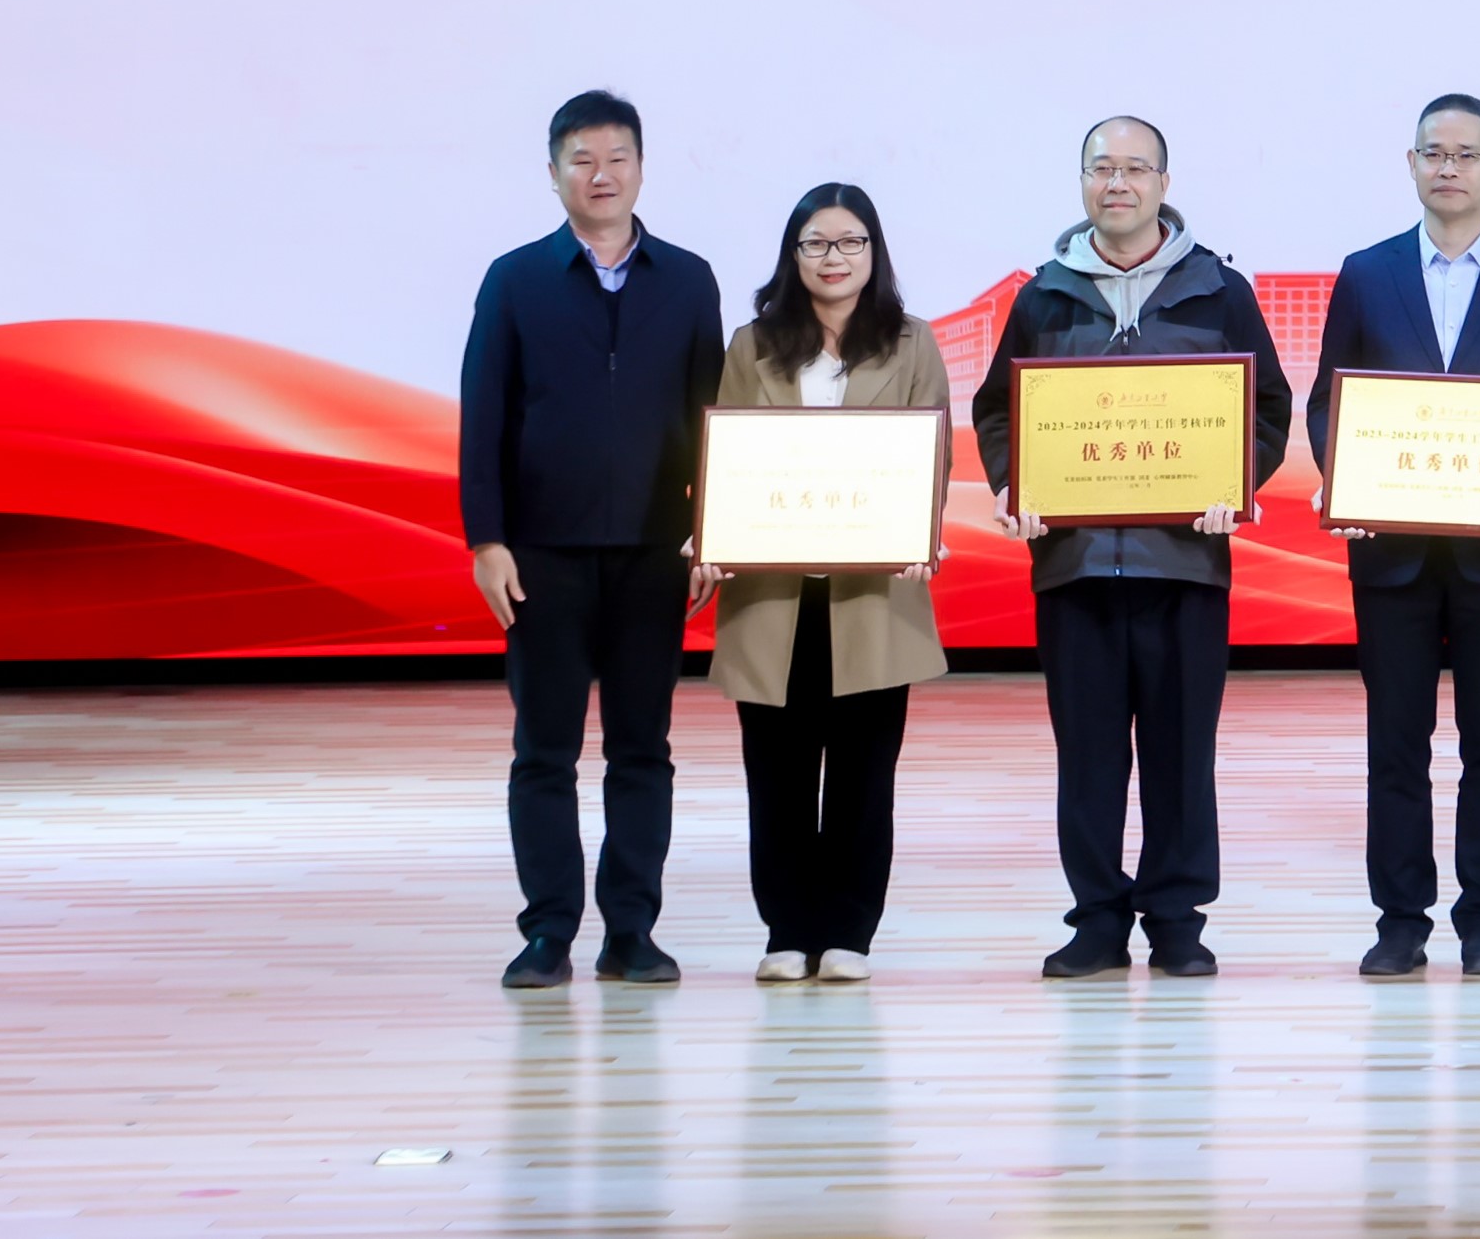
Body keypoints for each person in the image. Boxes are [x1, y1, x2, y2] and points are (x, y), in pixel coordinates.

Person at [967, 117, 1296, 981]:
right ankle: (1098, 921)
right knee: (1088, 758)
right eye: (1101, 168)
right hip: (1073, 567)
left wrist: (1237, 482)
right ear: (1082, 181)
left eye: (1134, 169)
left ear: (1163, 183)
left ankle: (1177, 920)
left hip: (1185, 563)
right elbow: (998, 409)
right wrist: (1013, 484)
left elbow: (1267, 406)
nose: (1117, 183)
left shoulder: (1217, 290)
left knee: (1181, 755)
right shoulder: (1043, 296)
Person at [1309, 92, 1480, 981]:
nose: (1449, 168)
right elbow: (1328, 401)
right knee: (1395, 745)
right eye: (1434, 152)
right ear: (1411, 163)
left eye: (1467, 155)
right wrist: (1345, 480)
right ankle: (1400, 921)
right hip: (1389, 552)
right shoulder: (1367, 272)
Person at [460, 89, 727, 991]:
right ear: (554, 174)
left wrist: (709, 532)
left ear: (641, 168)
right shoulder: (515, 279)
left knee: (641, 750)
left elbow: (709, 416)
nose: (600, 175)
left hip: (655, 554)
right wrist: (487, 540)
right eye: (581, 160)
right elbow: (483, 416)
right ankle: (547, 933)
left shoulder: (687, 279)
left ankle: (631, 932)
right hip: (542, 555)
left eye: (616, 158)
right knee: (544, 751)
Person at [707, 183, 951, 985]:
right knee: (775, 774)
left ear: (873, 252)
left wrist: (919, 535)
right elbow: (726, 456)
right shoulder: (752, 344)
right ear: (793, 255)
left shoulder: (911, 342)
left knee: (862, 776)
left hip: (873, 593)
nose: (832, 257)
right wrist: (715, 533)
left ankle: (849, 931)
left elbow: (933, 456)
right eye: (815, 243)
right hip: (772, 595)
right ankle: (786, 929)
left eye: (849, 242)